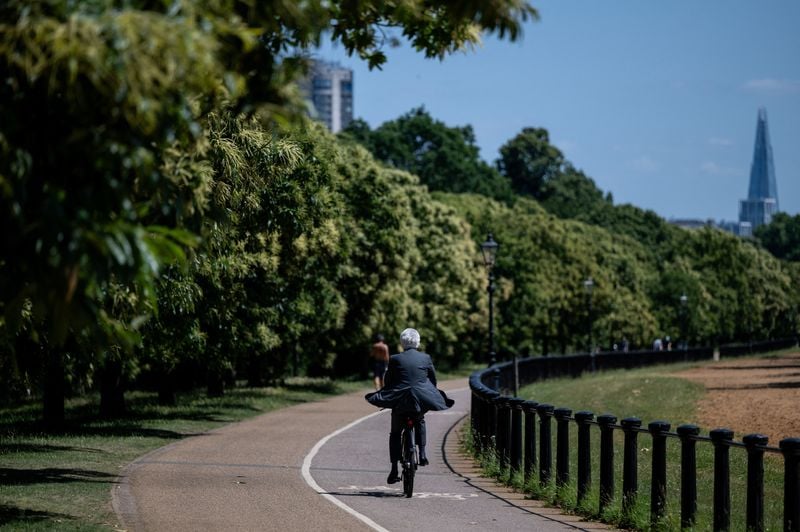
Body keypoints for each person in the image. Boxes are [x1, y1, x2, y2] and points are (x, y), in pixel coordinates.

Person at [364, 328, 454, 484]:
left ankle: (393, 470)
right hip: (420, 399)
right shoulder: (425, 358)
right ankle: (423, 453)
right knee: (420, 419)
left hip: (400, 400)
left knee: (395, 433)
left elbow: (389, 380)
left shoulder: (395, 359)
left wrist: (389, 394)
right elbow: (432, 381)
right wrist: (429, 393)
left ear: (402, 343)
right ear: (418, 342)